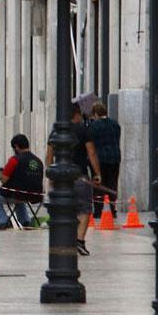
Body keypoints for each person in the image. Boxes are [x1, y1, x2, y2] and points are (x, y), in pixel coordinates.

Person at [46, 103, 102, 256]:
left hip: (60, 177)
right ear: (76, 114)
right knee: (84, 208)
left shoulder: (55, 132)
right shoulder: (83, 130)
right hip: (80, 176)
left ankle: (65, 239)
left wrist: (51, 173)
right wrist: (97, 173)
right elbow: (91, 153)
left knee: (64, 208)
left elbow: (49, 155)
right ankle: (79, 240)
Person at [0, 134, 44, 229]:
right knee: (20, 197)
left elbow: (3, 179)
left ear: (16, 146)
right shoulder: (38, 161)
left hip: (16, 195)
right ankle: (25, 221)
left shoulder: (15, 160)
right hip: (36, 196)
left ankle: (4, 221)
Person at [87, 101, 121, 219]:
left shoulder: (93, 126)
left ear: (95, 113)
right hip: (115, 158)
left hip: (99, 159)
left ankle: (98, 210)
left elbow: (91, 144)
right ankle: (112, 209)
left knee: (98, 185)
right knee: (112, 183)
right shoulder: (115, 124)